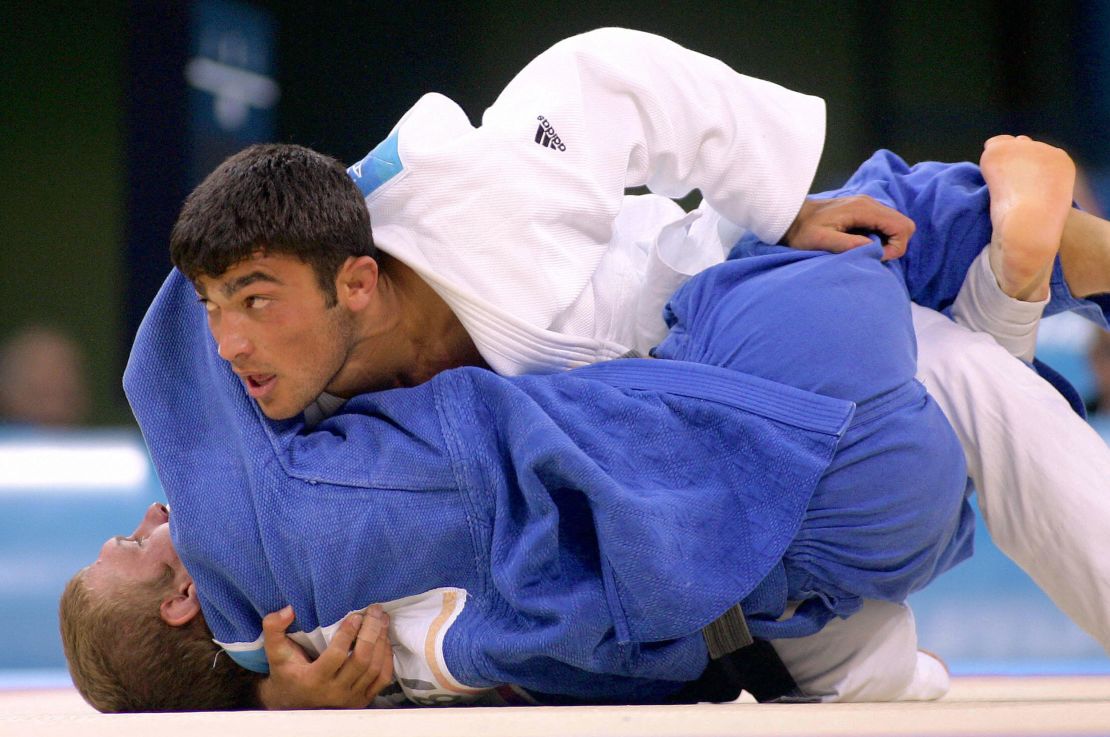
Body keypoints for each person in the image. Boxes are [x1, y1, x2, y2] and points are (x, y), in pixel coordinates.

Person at [68, 219, 974, 711]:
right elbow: (183, 329)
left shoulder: (382, 681)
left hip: (844, 563)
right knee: (874, 223)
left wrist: (266, 701)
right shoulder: (262, 530)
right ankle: (1009, 263)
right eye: (128, 542)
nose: (152, 514)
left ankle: (1009, 319)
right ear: (184, 598)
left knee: (976, 385)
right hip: (802, 440)